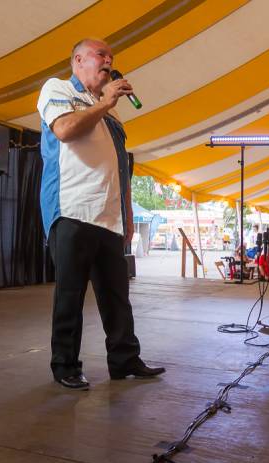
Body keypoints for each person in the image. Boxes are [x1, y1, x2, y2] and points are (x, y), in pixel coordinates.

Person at [37, 38, 164, 390]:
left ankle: (124, 359)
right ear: (78, 59)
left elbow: (121, 165)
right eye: (101, 55)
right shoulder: (58, 88)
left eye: (111, 57)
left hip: (108, 216)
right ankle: (65, 365)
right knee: (71, 294)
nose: (108, 61)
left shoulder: (110, 109)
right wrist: (105, 103)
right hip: (73, 209)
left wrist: (125, 214)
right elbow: (64, 130)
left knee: (116, 294)